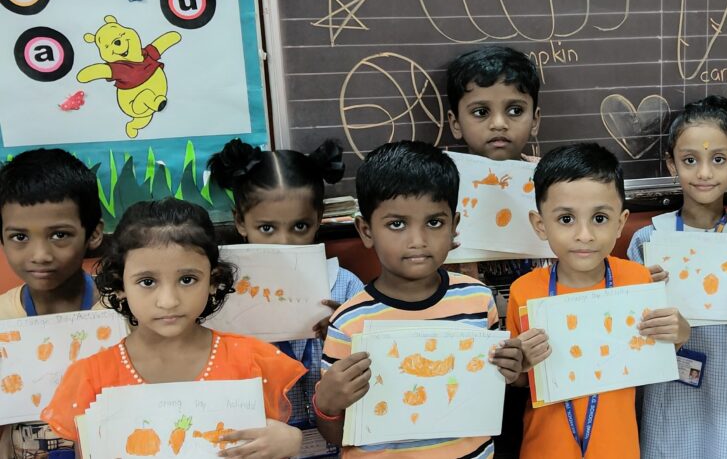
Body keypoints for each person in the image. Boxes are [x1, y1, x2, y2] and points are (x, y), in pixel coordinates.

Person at [41, 199, 305, 458]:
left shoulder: (253, 360)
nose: (168, 301)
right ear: (120, 285)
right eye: (147, 282)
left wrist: (291, 439)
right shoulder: (90, 377)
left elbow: (272, 440)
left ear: (213, 281)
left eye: (187, 279)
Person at [313, 141, 524, 458]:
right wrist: (327, 404)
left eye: (434, 222)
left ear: (454, 226)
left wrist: (511, 370)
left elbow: (489, 390)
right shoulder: (349, 322)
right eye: (396, 224)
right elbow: (337, 434)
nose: (418, 240)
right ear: (366, 230)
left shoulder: (478, 299)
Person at [509, 143, 691, 459]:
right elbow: (522, 380)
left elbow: (653, 354)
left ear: (620, 223)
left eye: (599, 218)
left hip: (618, 448)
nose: (585, 235)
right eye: (566, 219)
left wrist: (680, 333)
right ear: (540, 225)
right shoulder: (524, 291)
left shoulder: (637, 280)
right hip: (545, 449)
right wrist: (517, 368)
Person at [626, 95, 727, 458]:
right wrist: (637, 294)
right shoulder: (649, 239)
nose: (704, 173)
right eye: (690, 160)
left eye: (718, 159)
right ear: (671, 164)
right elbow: (628, 331)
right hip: (666, 392)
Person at [208, 138, 365, 458]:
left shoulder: (345, 287)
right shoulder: (220, 294)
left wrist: (346, 336)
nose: (284, 241)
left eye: (300, 226)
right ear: (240, 222)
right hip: (258, 447)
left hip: (337, 444)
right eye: (267, 228)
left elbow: (369, 372)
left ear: (319, 218)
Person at [445, 45, 547, 457]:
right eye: (481, 112)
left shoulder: (554, 185)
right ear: (455, 123)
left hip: (542, 358)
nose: (499, 123)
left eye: (515, 110)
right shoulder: (439, 190)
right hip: (469, 359)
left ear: (535, 119)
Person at [0, 149, 105, 459]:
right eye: (20, 237)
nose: (40, 255)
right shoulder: (2, 318)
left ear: (93, 234)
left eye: (59, 235)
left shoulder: (125, 314)